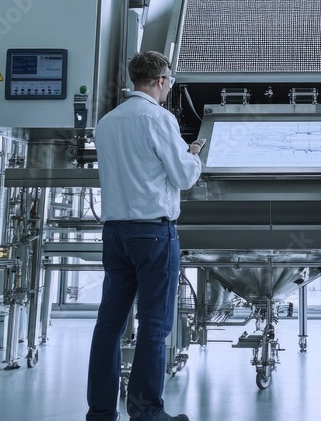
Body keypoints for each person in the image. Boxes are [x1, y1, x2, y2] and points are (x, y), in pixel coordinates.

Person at [87, 51, 205, 421]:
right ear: (159, 81)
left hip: (115, 233)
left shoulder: (106, 122)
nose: (169, 87)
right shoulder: (158, 117)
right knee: (154, 325)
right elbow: (184, 177)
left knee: (109, 324)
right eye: (169, 81)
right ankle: (146, 413)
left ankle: (102, 412)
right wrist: (195, 153)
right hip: (153, 233)